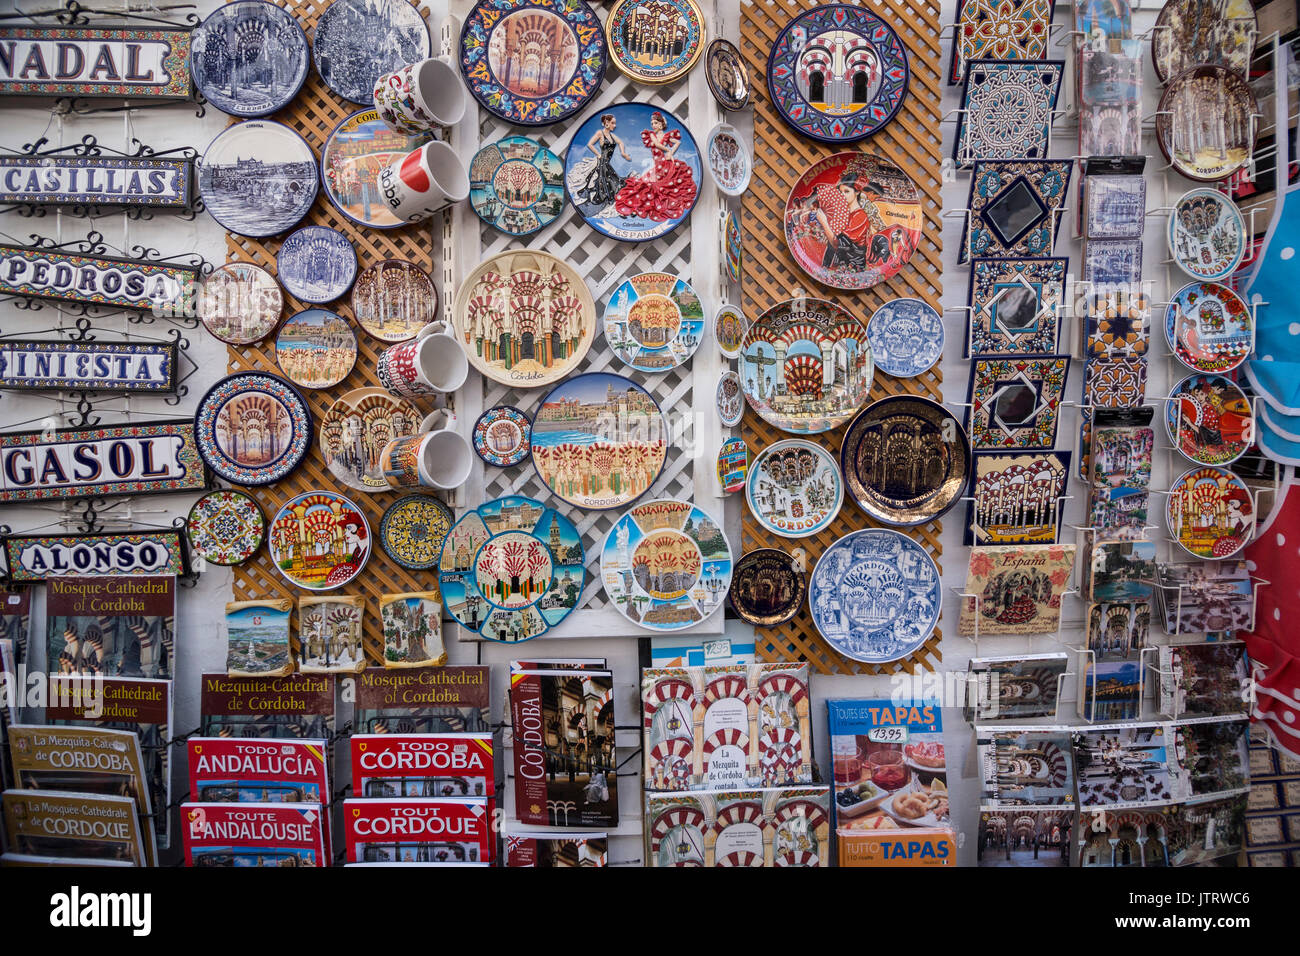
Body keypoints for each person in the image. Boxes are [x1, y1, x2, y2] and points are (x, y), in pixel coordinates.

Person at [614, 111, 698, 223]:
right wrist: (668, 150)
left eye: (655, 123)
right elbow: (657, 145)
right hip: (657, 162)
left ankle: (646, 205)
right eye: (652, 123)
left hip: (664, 162)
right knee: (646, 184)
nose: (653, 125)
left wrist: (670, 153)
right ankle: (635, 205)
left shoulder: (666, 135)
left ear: (661, 124)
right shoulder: (652, 135)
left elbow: (677, 142)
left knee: (662, 183)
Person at [815, 171, 886, 273]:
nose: (842, 195)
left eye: (847, 191)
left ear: (857, 192)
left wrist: (824, 222)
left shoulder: (860, 216)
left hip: (852, 267)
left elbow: (837, 244)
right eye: (840, 192)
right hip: (838, 262)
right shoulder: (842, 213)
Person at [573, 113, 629, 208]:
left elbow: (620, 143)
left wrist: (623, 153)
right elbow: (590, 144)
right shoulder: (600, 133)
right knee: (606, 178)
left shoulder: (612, 136)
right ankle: (607, 196)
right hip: (602, 161)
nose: (614, 126)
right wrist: (598, 154)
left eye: (614, 123)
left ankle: (611, 195)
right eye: (612, 123)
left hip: (607, 161)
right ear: (606, 123)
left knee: (610, 177)